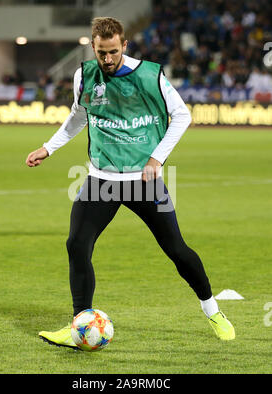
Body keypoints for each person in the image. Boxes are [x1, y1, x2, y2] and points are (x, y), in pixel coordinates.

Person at [26, 17, 235, 347]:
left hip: (144, 181)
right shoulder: (85, 75)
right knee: (77, 245)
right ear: (92, 48)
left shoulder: (150, 75)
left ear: (125, 45)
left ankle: (213, 312)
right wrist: (48, 148)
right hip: (100, 179)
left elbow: (182, 115)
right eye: (100, 53)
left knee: (177, 250)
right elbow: (78, 116)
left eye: (112, 52)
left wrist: (157, 158)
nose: (106, 60)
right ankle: (80, 323)